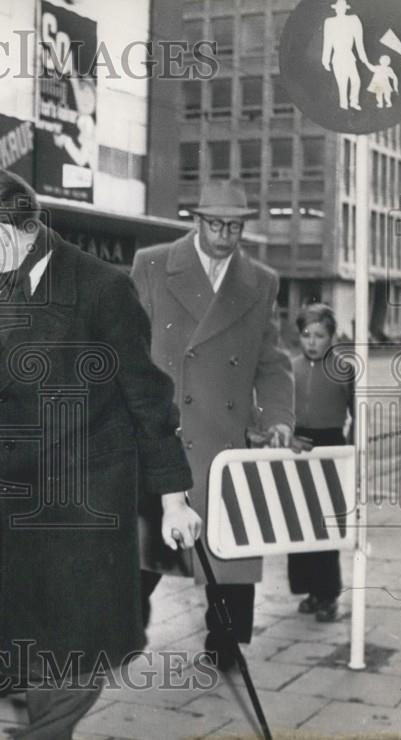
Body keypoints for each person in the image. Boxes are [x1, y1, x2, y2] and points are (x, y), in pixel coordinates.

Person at [0, 169, 201, 738]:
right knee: (36, 647)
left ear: (13, 229)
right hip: (17, 500)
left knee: (77, 650)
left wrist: (174, 500)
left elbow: (148, 398)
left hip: (86, 499)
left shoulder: (100, 288)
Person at [130, 178, 294, 672]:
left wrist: (279, 417)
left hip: (225, 440)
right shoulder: (152, 264)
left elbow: (271, 359)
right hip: (166, 428)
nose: (225, 234)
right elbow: (128, 347)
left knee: (231, 548)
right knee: (146, 547)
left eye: (235, 226)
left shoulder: (262, 281)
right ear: (197, 220)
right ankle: (122, 630)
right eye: (216, 223)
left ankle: (225, 641)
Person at [288, 304, 353, 623]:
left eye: (319, 336)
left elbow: (359, 412)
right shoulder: (290, 368)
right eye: (306, 335)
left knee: (326, 524)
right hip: (298, 447)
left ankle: (329, 594)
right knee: (299, 522)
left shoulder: (344, 368)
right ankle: (310, 590)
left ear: (331, 337)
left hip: (331, 448)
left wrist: (352, 450)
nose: (312, 342)